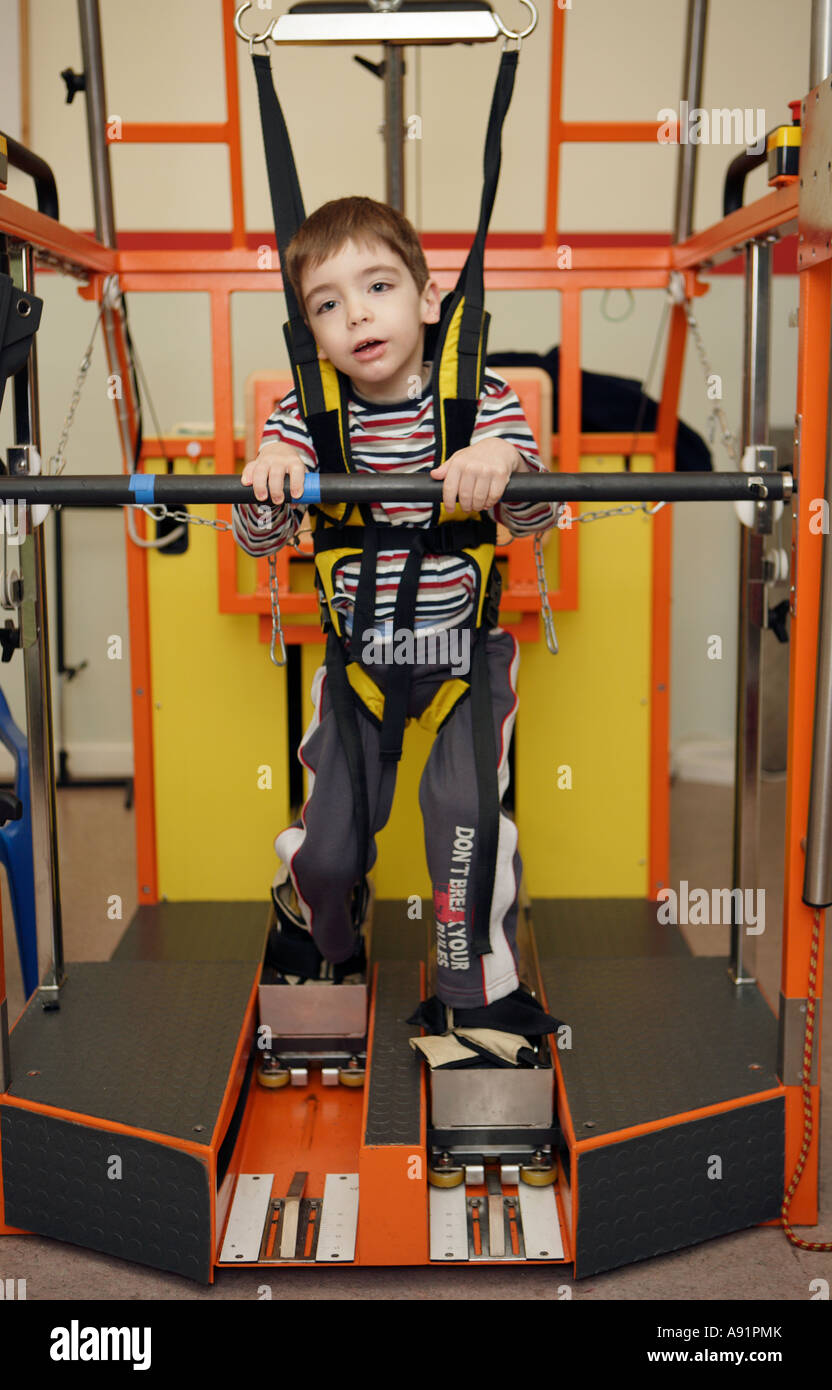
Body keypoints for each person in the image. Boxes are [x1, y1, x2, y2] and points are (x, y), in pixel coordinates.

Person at [233, 196, 560, 1063]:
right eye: (328, 304)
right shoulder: (302, 415)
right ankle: (319, 923)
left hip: (464, 655)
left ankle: (476, 993)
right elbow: (258, 536)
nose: (357, 316)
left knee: (465, 824)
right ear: (311, 331)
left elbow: (541, 512)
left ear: (427, 296)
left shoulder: (479, 395)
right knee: (335, 844)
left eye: (377, 286)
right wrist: (269, 481)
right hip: (362, 664)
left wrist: (506, 464)